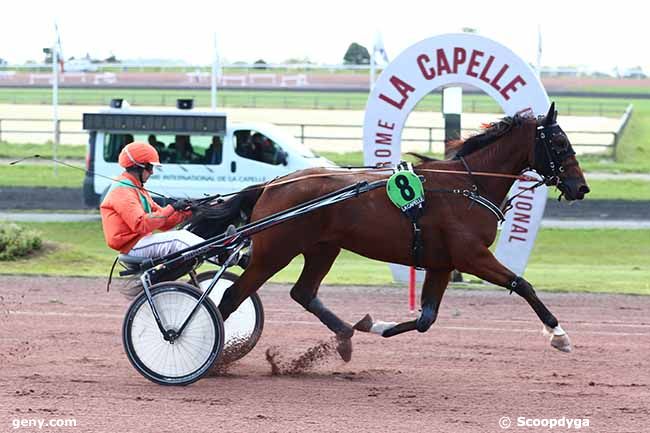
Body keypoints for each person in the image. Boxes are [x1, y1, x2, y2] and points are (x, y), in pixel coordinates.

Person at [100, 141, 204, 260]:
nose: (152, 172)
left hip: (141, 242)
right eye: (150, 167)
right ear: (138, 167)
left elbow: (165, 222)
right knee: (178, 238)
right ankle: (219, 255)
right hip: (132, 246)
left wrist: (189, 211)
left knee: (184, 234)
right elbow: (141, 224)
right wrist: (173, 207)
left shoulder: (137, 188)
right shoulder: (122, 192)